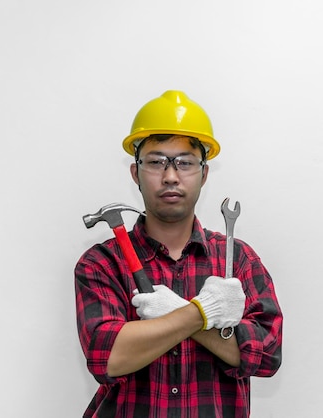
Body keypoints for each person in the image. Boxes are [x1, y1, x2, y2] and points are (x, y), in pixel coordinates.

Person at [74, 90, 283, 417]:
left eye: (184, 163)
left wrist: (172, 315)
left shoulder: (238, 259)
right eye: (156, 162)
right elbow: (109, 356)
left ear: (204, 173)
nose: (170, 176)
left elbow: (266, 354)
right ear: (135, 173)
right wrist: (203, 311)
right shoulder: (102, 263)